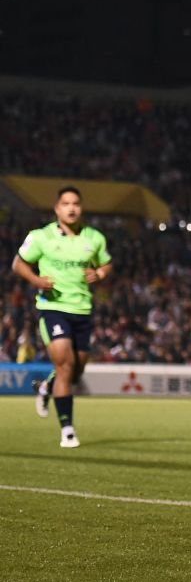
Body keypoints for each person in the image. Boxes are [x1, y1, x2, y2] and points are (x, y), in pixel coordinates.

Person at [13, 185, 113, 448]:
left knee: (76, 371)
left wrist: (100, 274)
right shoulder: (41, 237)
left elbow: (106, 262)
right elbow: (18, 263)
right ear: (57, 208)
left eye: (76, 203)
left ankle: (46, 387)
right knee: (65, 365)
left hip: (82, 310)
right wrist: (36, 280)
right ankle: (67, 430)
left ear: (81, 208)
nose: (71, 208)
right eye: (66, 203)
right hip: (53, 308)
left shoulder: (94, 238)